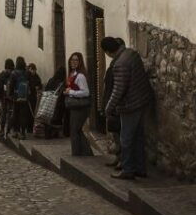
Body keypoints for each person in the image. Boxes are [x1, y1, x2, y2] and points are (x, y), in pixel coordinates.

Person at [102, 36, 154, 180]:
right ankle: (140, 168)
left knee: (126, 139)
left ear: (107, 52)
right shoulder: (131, 53)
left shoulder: (120, 64)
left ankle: (128, 169)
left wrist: (108, 108)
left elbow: (119, 90)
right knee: (137, 137)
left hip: (130, 105)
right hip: (142, 100)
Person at [65, 52, 93, 156]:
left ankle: (77, 153)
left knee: (75, 130)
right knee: (76, 130)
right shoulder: (73, 73)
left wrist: (71, 92)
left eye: (76, 60)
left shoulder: (80, 76)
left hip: (80, 107)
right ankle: (86, 152)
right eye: (72, 60)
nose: (73, 62)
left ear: (80, 61)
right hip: (75, 105)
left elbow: (86, 92)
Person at [103, 38, 124, 168]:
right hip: (111, 103)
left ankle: (122, 160)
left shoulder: (118, 65)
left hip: (116, 105)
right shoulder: (113, 65)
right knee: (116, 134)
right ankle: (119, 157)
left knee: (120, 134)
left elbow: (117, 87)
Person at [9, 57, 32, 139]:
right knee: (23, 115)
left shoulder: (13, 73)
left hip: (16, 96)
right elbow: (31, 84)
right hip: (25, 97)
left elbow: (11, 86)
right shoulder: (27, 73)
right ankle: (23, 133)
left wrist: (10, 95)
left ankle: (15, 131)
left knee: (16, 114)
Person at [43, 66, 67, 139]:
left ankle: (48, 133)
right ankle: (56, 133)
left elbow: (46, 89)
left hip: (49, 101)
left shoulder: (51, 80)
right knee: (57, 119)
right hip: (58, 103)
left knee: (49, 117)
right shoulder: (62, 83)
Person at [0, 58, 15, 137]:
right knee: (11, 113)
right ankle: (8, 131)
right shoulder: (14, 74)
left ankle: (1, 130)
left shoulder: (2, 74)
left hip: (3, 97)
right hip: (12, 97)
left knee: (4, 114)